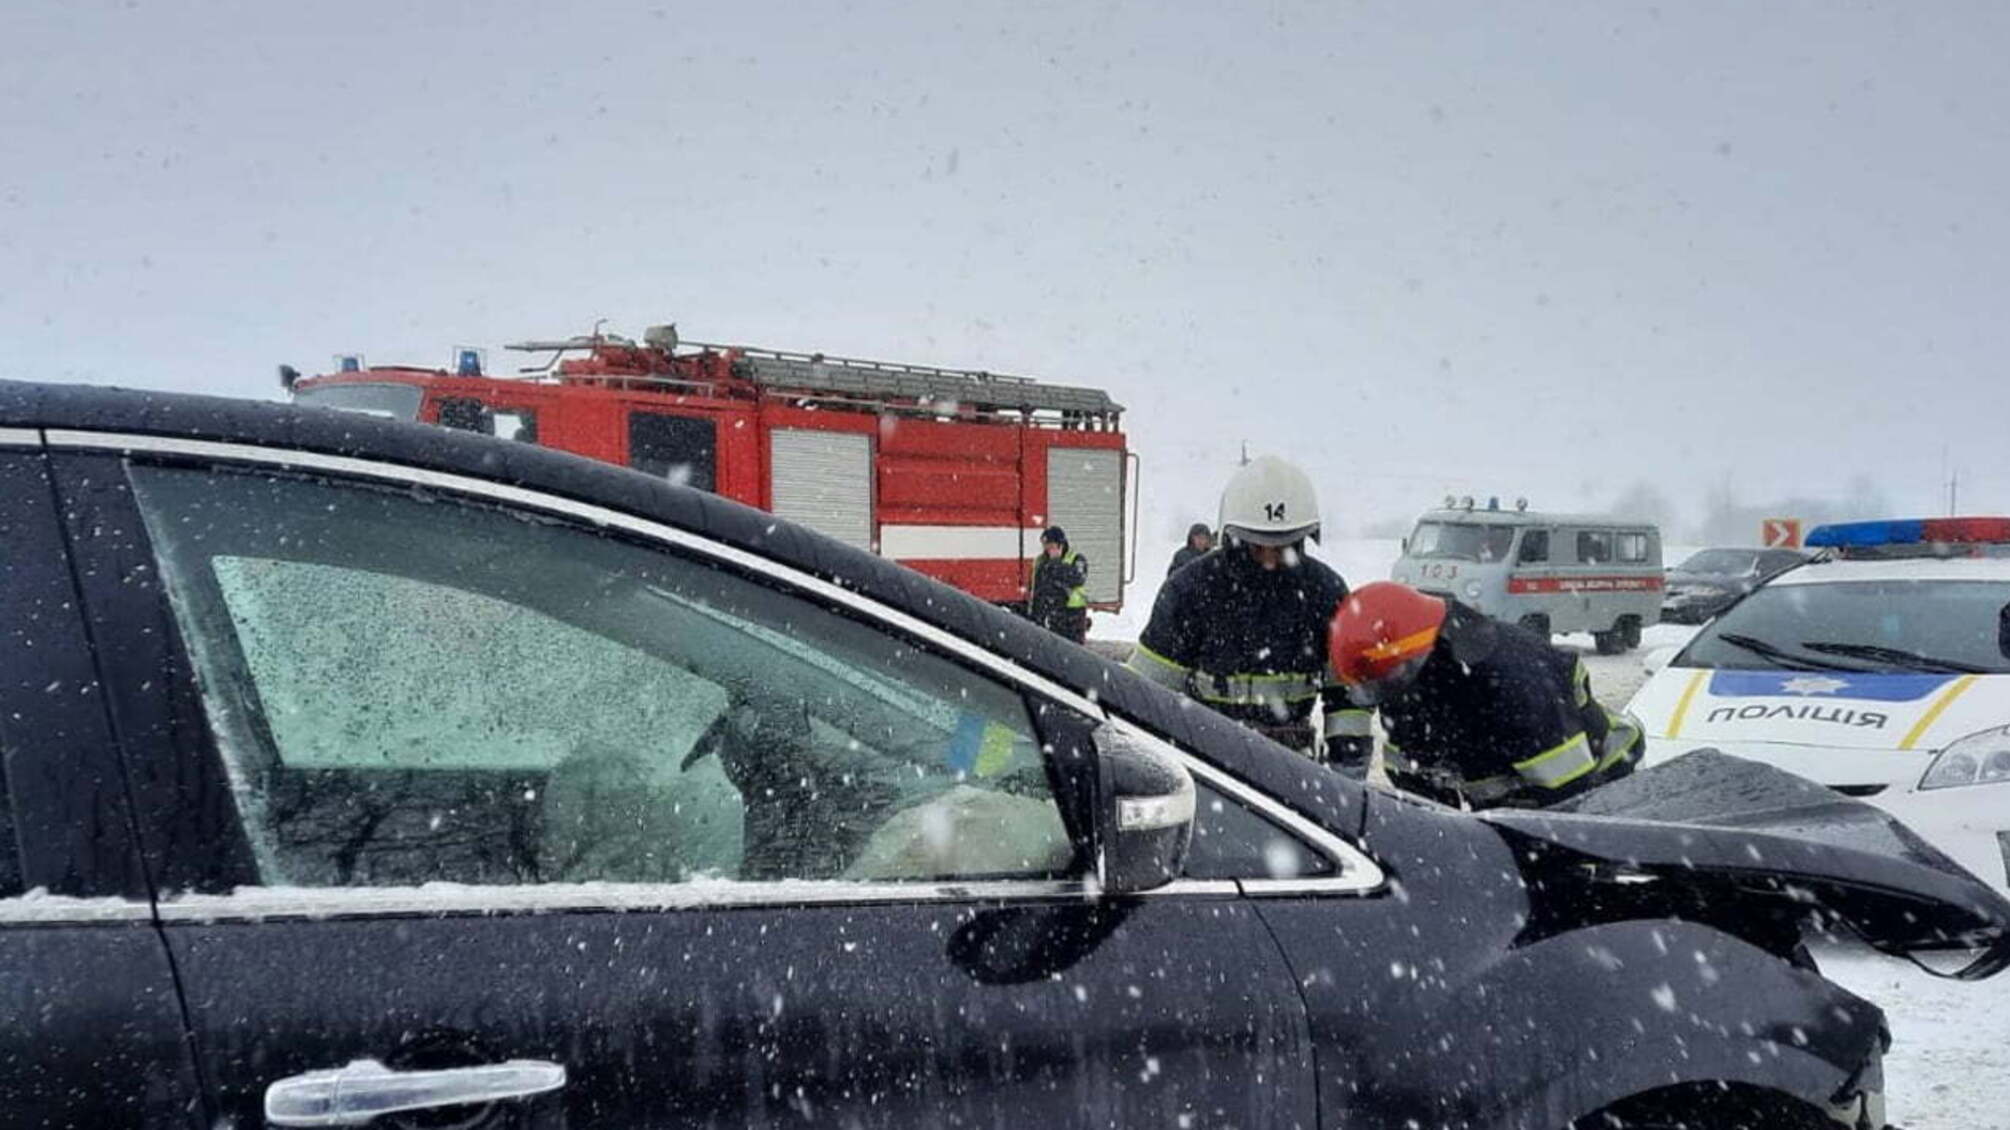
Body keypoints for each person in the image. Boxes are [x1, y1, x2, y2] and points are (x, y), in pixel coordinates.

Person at [1127, 457, 1372, 767]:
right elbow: (1144, 694)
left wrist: (1347, 768)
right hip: (1207, 768)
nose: (1270, 561)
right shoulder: (1190, 591)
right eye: (1258, 547)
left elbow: (1347, 697)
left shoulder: (1326, 592)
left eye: (1283, 547)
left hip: (1295, 770)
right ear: (1233, 539)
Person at [1327, 581, 1643, 809]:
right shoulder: (1405, 682)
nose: (1387, 698)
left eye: (1386, 683)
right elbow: (1413, 782)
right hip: (1516, 802)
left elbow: (1567, 802)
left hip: (1603, 781)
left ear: (1423, 655)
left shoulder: (1514, 681)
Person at [1028, 526, 1090, 643]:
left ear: (1060, 545)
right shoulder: (1042, 562)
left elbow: (1078, 578)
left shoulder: (1076, 559)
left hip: (1072, 613)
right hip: (1050, 613)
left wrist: (1056, 564)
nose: (1048, 550)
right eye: (1046, 546)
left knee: (1072, 648)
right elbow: (1036, 588)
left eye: (1051, 546)